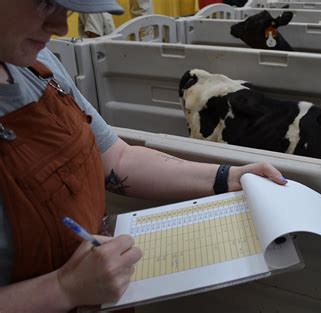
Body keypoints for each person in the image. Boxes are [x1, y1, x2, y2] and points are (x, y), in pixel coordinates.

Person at [0, 0, 287, 311]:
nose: (59, 27)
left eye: (68, 10)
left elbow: (117, 159)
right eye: (45, 4)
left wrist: (227, 177)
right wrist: (62, 289)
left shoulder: (39, 63)